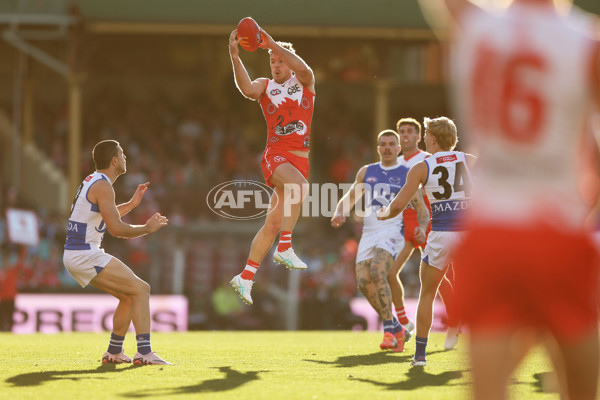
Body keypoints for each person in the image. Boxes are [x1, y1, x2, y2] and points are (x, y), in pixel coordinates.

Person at [420, 1, 600, 399]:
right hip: (559, 229)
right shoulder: (587, 41)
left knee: (488, 391)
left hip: (489, 235)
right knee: (582, 389)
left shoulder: (475, 27)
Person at [228, 25, 316, 305]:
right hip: (275, 155)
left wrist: (272, 44)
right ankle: (286, 247)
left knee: (272, 224)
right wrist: (234, 56)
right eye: (272, 61)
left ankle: (245, 277)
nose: (276, 65)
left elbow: (305, 71)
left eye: (280, 60)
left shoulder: (304, 81)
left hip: (300, 160)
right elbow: (245, 89)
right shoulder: (266, 85)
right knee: (300, 188)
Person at [62, 140, 171, 365]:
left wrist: (131, 204)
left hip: (77, 254)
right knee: (142, 289)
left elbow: (105, 213)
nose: (124, 157)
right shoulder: (103, 185)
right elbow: (116, 229)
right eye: (122, 154)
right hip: (85, 254)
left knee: (128, 297)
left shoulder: (94, 181)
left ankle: (114, 352)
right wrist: (147, 228)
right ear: (114, 160)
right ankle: (144, 352)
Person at [378, 117, 475, 366]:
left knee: (428, 294)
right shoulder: (470, 161)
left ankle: (420, 356)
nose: (423, 139)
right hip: (469, 236)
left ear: (432, 138)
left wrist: (383, 213)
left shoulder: (421, 167)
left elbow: (398, 205)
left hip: (441, 233)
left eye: (426, 135)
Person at [331, 129, 429, 351]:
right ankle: (398, 329)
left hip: (393, 230)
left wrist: (422, 227)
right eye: (382, 144)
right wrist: (340, 211)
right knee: (364, 283)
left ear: (398, 148)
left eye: (391, 144)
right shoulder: (367, 172)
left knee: (378, 272)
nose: (386, 148)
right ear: (378, 148)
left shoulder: (408, 173)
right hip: (369, 231)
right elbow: (352, 196)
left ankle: (388, 333)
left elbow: (421, 209)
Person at [389, 117, 461, 349]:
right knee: (391, 273)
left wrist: (422, 223)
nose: (405, 135)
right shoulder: (397, 162)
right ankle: (399, 325)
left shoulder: (426, 160)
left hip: (433, 223)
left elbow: (418, 198)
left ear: (422, 136)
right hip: (407, 224)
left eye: (410, 131)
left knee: (440, 281)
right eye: (402, 131)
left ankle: (452, 324)